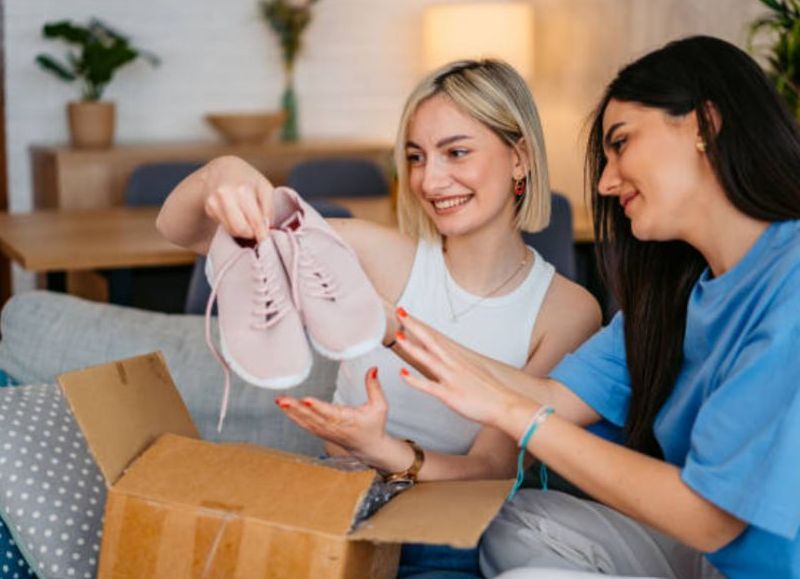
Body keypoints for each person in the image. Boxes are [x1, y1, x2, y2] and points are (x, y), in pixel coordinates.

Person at [157, 59, 601, 576]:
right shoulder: (371, 254)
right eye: (416, 157)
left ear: (519, 156)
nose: (430, 180)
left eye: (456, 152)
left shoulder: (567, 310)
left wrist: (382, 449)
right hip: (334, 507)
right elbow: (183, 232)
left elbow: (491, 469)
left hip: (448, 533)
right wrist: (225, 172)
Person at [393, 36, 800, 579]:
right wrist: (389, 327)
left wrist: (514, 414)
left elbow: (711, 521)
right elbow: (550, 400)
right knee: (511, 521)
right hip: (715, 561)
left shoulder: (790, 282)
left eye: (622, 143)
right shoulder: (678, 293)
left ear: (704, 126)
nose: (606, 183)